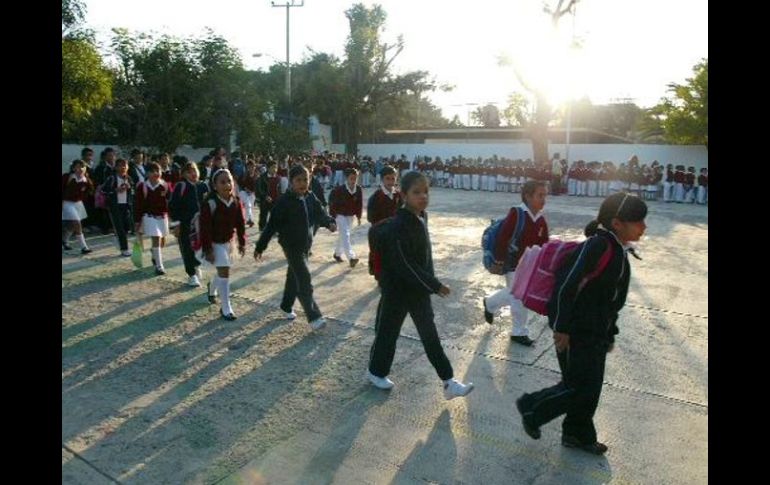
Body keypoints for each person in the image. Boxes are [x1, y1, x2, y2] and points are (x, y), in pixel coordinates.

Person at [516, 192, 647, 455]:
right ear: (617, 223)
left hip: (595, 332)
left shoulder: (619, 250)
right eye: (638, 221)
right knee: (580, 388)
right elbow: (566, 287)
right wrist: (562, 328)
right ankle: (533, 408)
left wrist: (610, 334)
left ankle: (577, 434)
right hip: (576, 331)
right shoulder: (598, 246)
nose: (643, 226)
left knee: (588, 387)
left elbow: (611, 303)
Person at [366, 171, 474, 400]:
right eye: (417, 192)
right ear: (403, 195)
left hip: (417, 292)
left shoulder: (421, 217)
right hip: (397, 291)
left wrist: (429, 283)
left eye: (426, 191)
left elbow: (424, 259)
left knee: (430, 336)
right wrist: (434, 284)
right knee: (387, 333)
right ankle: (375, 372)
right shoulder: (399, 225)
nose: (423, 196)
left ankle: (448, 382)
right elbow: (405, 263)